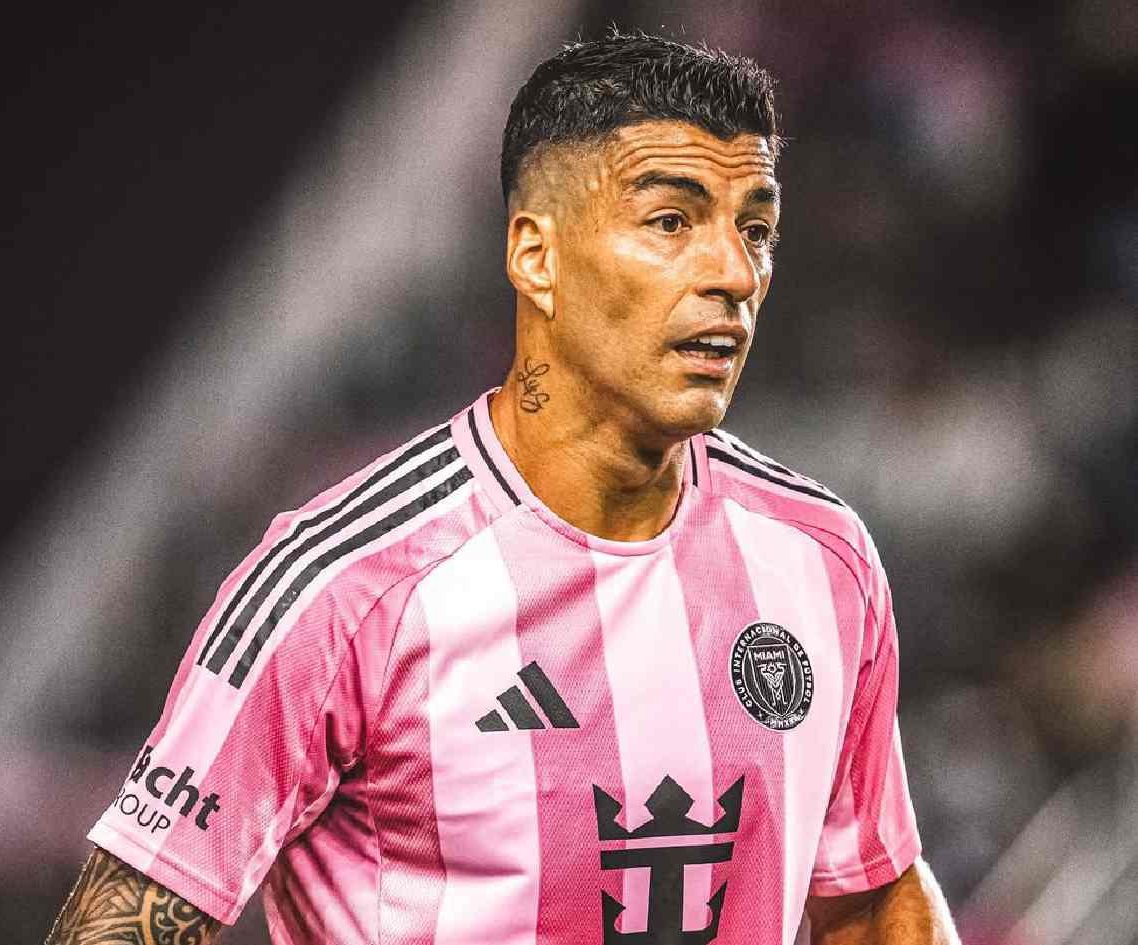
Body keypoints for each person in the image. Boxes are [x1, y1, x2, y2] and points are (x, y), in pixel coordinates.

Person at [47, 30, 958, 945]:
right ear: (535, 255)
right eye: (671, 222)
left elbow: (869, 891)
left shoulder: (820, 558)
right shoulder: (343, 587)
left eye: (754, 228)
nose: (732, 273)